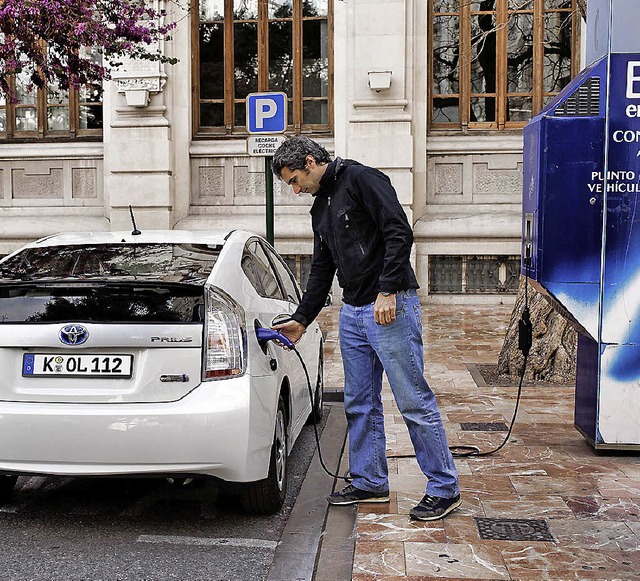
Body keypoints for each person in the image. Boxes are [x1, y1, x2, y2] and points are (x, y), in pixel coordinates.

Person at [271, 136, 460, 521]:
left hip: (389, 307)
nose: (294, 190)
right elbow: (323, 266)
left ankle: (444, 487)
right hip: (353, 312)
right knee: (359, 403)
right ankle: (369, 480)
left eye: (294, 180)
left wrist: (388, 290)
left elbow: (398, 232)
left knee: (412, 401)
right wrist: (303, 319)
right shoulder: (320, 205)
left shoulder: (362, 179)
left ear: (310, 161)